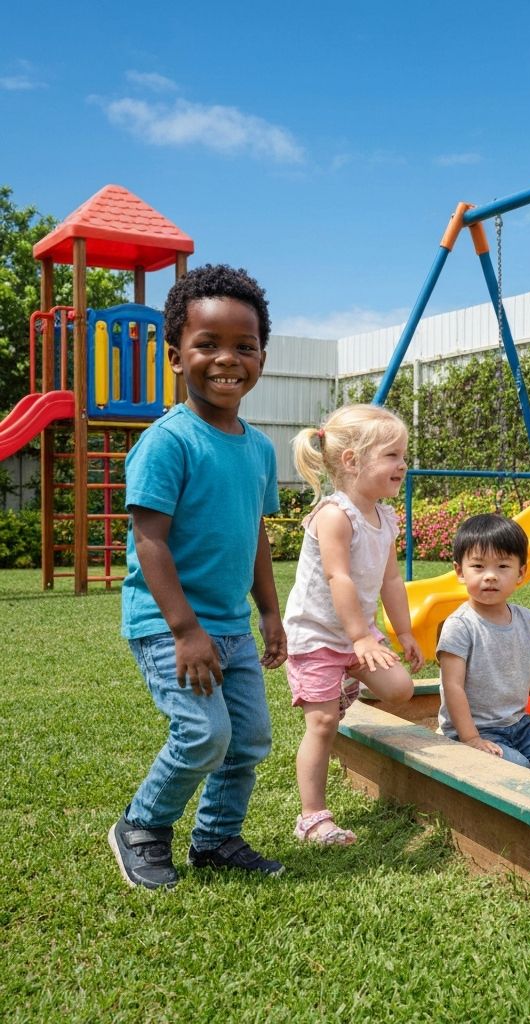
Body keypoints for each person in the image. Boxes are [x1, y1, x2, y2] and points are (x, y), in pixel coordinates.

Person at [109, 264, 287, 890]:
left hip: (233, 625)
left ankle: (215, 839)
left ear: (262, 354)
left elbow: (255, 535)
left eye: (244, 345)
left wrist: (269, 610)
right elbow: (149, 539)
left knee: (249, 740)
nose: (226, 359)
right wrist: (185, 629)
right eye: (207, 344)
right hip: (171, 624)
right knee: (203, 734)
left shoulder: (260, 448)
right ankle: (141, 826)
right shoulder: (168, 442)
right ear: (176, 356)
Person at [283, 405, 423, 845]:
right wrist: (361, 635)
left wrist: (402, 632)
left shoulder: (387, 518)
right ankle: (312, 818)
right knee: (322, 725)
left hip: (357, 634)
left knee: (400, 689)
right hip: (319, 636)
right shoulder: (334, 515)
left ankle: (343, 683)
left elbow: (391, 579)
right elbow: (337, 577)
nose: (402, 464)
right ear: (351, 462)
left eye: (403, 454)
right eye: (392, 456)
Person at [436, 513, 530, 774]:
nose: (491, 576)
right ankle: (475, 753)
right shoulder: (460, 625)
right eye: (478, 566)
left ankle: (513, 762)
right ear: (460, 572)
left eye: (503, 567)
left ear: (521, 573)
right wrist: (471, 738)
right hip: (474, 728)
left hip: (519, 725)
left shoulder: (525, 619)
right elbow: (453, 687)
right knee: (517, 765)